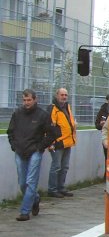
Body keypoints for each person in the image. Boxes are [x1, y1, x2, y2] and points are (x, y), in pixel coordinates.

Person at [7, 90, 58, 221]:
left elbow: (52, 133)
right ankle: (35, 198)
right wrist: (14, 145)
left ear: (35, 99)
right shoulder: (17, 113)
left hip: (35, 151)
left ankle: (25, 211)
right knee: (22, 182)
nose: (26, 103)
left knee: (31, 181)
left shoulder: (43, 115)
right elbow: (10, 131)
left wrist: (40, 147)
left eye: (29, 100)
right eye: (24, 100)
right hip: (19, 151)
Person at [48, 87, 77, 198]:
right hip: (57, 143)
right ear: (57, 95)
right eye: (62, 95)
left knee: (64, 167)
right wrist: (51, 143)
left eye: (66, 95)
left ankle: (61, 188)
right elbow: (49, 127)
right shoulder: (53, 109)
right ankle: (52, 189)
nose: (64, 97)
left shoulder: (67, 107)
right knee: (56, 166)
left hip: (68, 142)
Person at [95, 94, 109, 159]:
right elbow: (97, 125)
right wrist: (101, 124)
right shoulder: (103, 110)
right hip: (107, 138)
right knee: (108, 159)